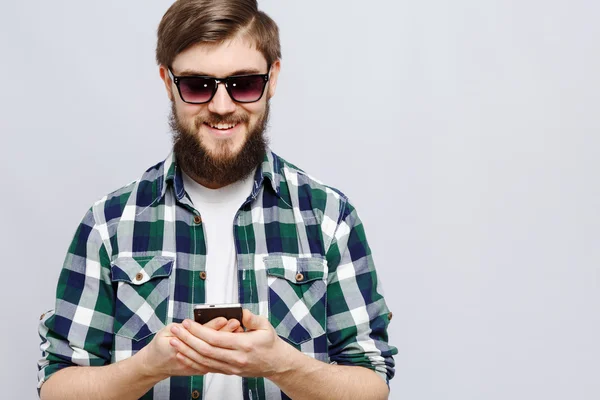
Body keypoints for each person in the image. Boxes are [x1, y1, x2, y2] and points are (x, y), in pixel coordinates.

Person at [37, 1, 397, 399]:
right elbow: (58, 387)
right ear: (168, 82)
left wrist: (282, 364)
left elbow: (371, 386)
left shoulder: (329, 218)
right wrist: (148, 368)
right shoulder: (109, 223)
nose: (222, 107)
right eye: (197, 85)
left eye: (243, 84)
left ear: (272, 78)